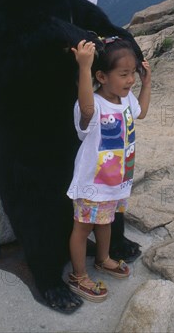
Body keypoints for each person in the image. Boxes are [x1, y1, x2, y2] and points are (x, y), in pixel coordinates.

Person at [67, 37, 151, 302]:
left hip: (115, 183)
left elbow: (143, 111)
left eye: (133, 73)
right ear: (101, 76)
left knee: (105, 223)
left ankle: (102, 259)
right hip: (93, 184)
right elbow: (87, 108)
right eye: (124, 74)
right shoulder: (93, 105)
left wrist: (147, 82)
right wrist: (84, 67)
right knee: (83, 228)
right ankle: (78, 276)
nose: (130, 80)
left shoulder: (125, 99)